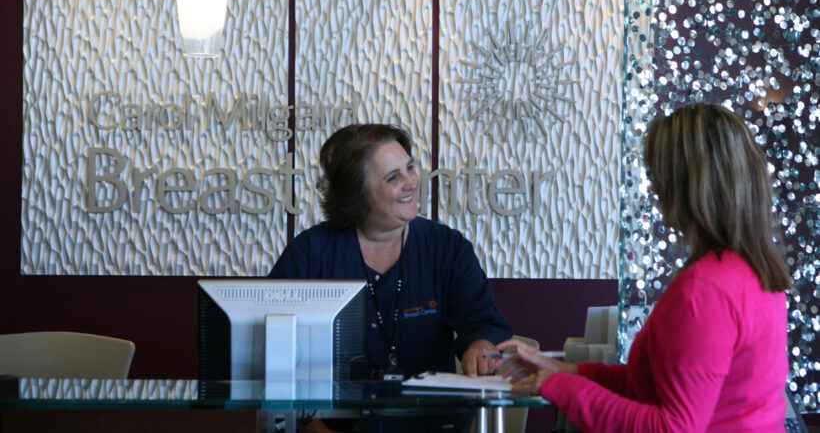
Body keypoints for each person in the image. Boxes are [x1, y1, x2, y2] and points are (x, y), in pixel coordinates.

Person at [495, 103, 791, 432]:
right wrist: (563, 371)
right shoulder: (755, 273)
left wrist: (560, 387)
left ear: (685, 182)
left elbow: (671, 427)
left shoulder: (706, 289)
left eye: (658, 175)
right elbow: (656, 385)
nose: (654, 189)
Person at [269, 123, 513, 432]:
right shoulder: (310, 253)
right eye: (393, 177)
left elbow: (482, 321)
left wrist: (479, 345)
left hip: (432, 425)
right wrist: (311, 426)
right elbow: (274, 354)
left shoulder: (447, 247)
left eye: (410, 168)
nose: (411, 182)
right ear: (356, 194)